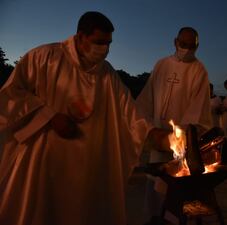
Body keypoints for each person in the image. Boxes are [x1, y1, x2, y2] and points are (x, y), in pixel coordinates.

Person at [0, 11, 170, 225]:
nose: (105, 50)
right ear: (80, 36)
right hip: (44, 158)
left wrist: (152, 132)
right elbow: (11, 94)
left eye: (109, 44)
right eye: (99, 42)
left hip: (87, 164)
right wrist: (49, 116)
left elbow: (128, 109)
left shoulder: (107, 74)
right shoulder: (45, 57)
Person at [136, 27, 212, 224]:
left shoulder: (199, 70)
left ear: (197, 46)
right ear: (175, 41)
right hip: (158, 135)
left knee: (176, 190)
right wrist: (150, 128)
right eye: (183, 44)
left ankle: (173, 220)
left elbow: (198, 108)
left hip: (180, 142)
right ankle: (154, 218)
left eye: (191, 46)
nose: (186, 49)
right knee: (155, 185)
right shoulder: (161, 65)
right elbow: (147, 99)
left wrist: (179, 136)